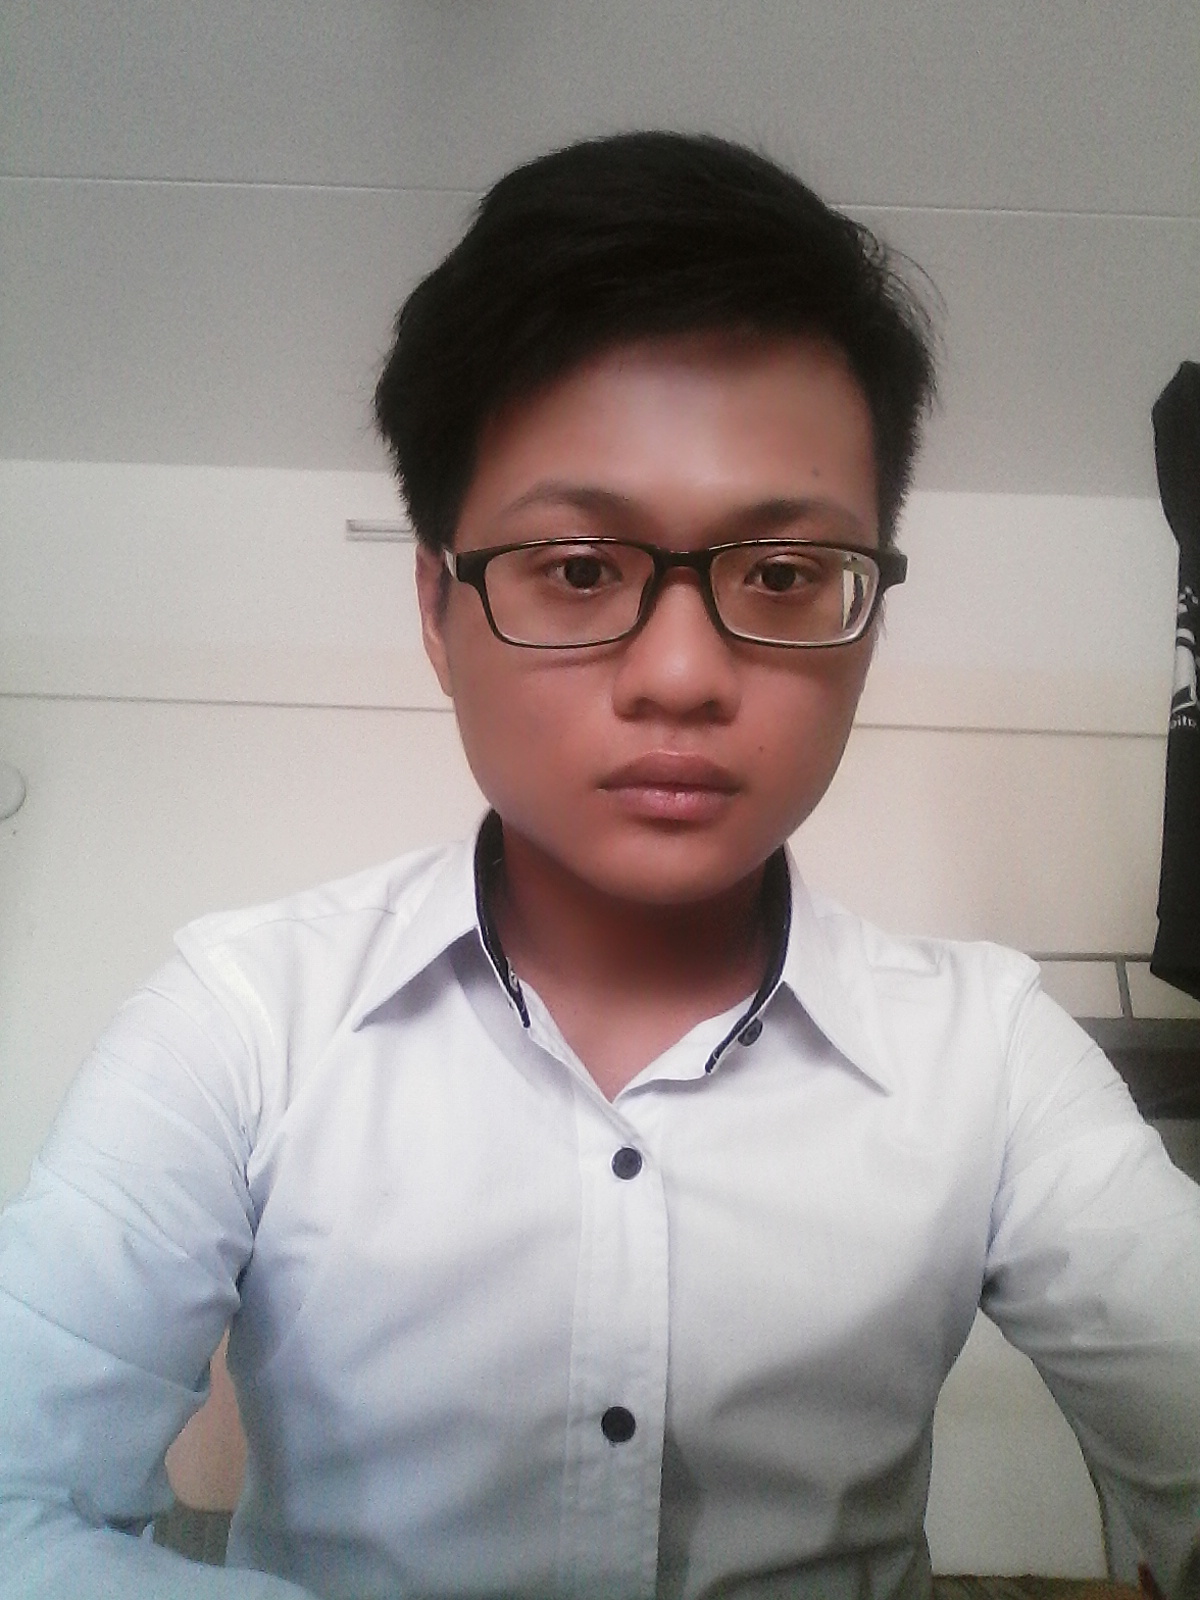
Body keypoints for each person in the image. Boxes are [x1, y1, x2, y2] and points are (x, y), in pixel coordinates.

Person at [1, 131, 1197, 1600]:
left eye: (783, 575)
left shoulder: (992, 1055)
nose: (682, 673)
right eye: (577, 569)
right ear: (437, 610)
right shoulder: (243, 1018)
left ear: (869, 614)